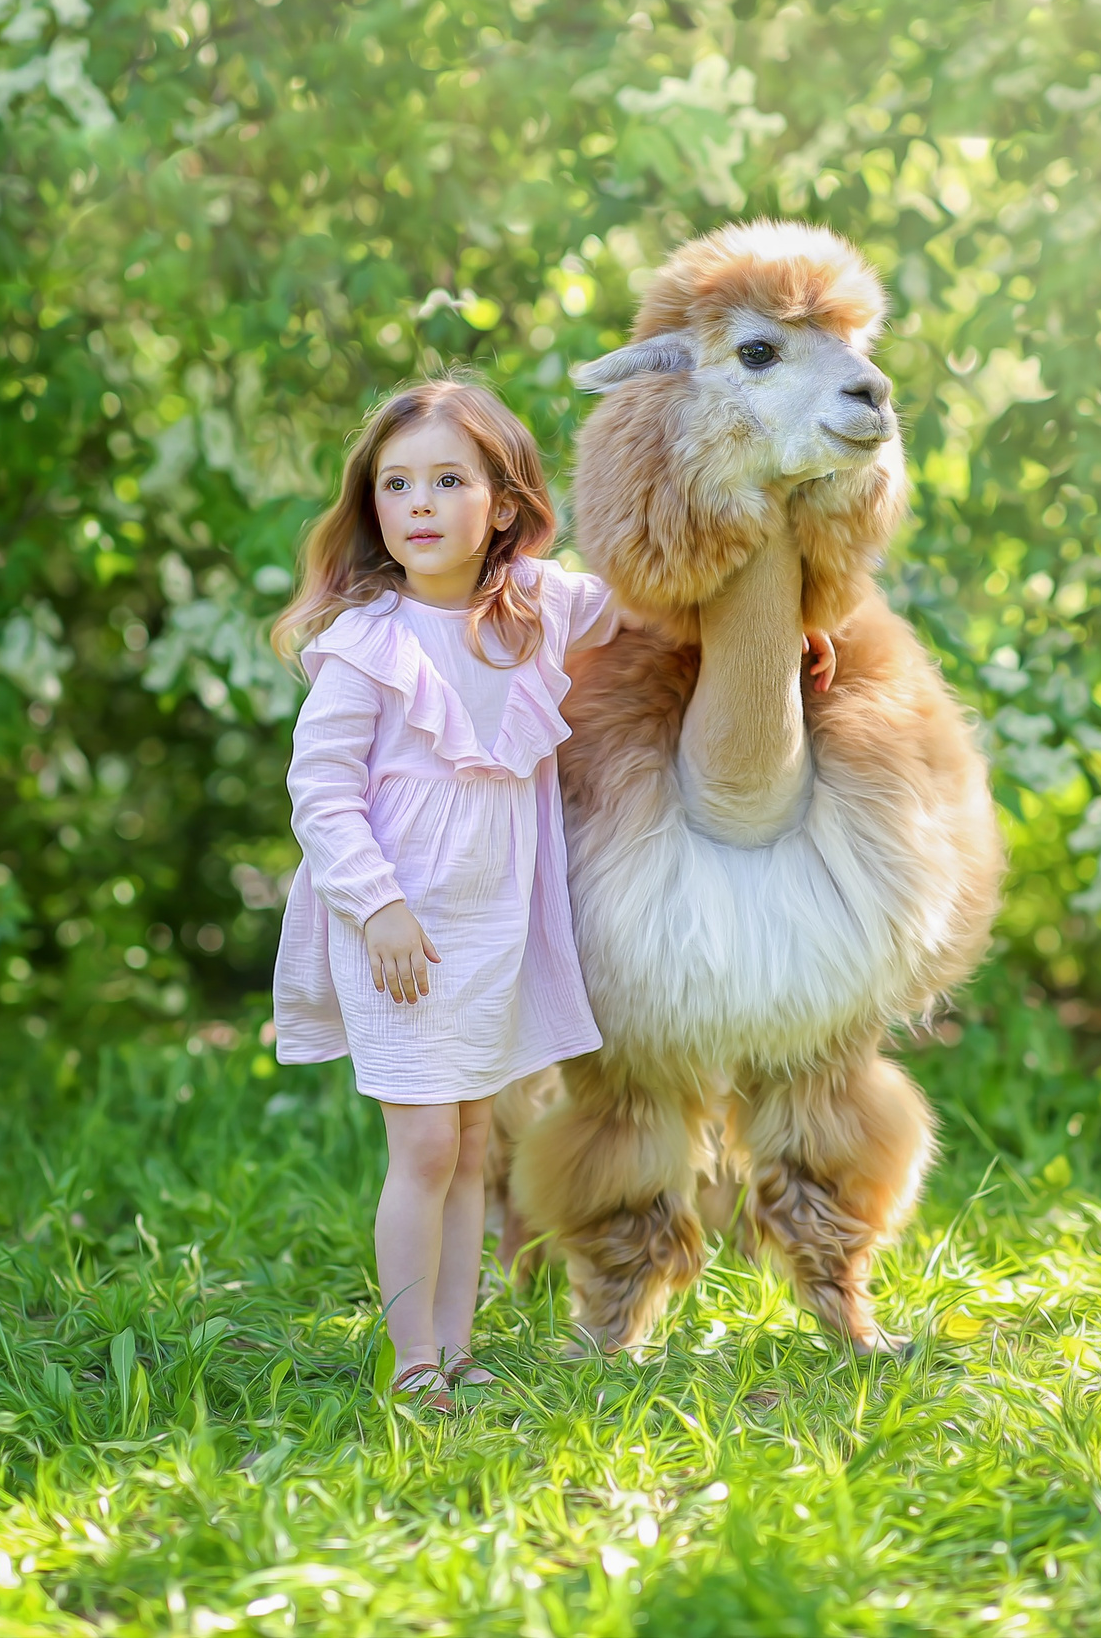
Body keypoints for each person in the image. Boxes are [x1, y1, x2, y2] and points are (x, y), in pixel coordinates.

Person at [270, 375, 831, 1408]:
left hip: (490, 925)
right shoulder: (367, 645)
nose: (421, 504)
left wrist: (767, 632)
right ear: (371, 507)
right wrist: (376, 905)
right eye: (397, 485)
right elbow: (321, 793)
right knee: (427, 1143)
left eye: (448, 479)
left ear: (504, 504)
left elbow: (649, 607)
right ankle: (410, 1366)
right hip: (398, 925)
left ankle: (456, 1343)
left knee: (476, 1137)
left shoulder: (533, 609)